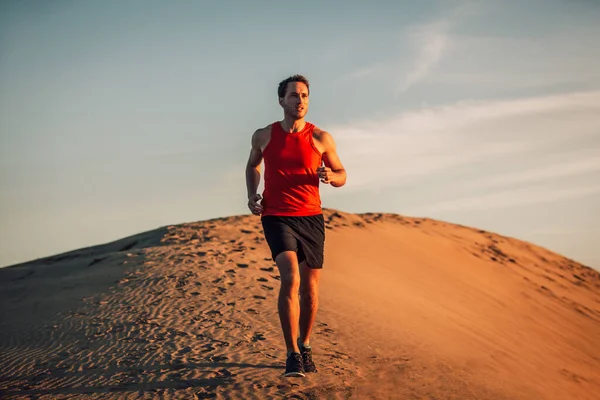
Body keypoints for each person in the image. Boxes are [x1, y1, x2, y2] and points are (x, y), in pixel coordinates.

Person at [245, 74, 347, 377]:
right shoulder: (264, 135)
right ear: (281, 100)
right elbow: (253, 164)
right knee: (290, 278)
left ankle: (305, 345)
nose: (299, 101)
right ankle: (291, 354)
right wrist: (253, 194)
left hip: (311, 217)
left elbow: (342, 173)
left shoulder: (321, 138)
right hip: (276, 215)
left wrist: (331, 177)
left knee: (311, 289)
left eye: (304, 96)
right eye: (293, 96)